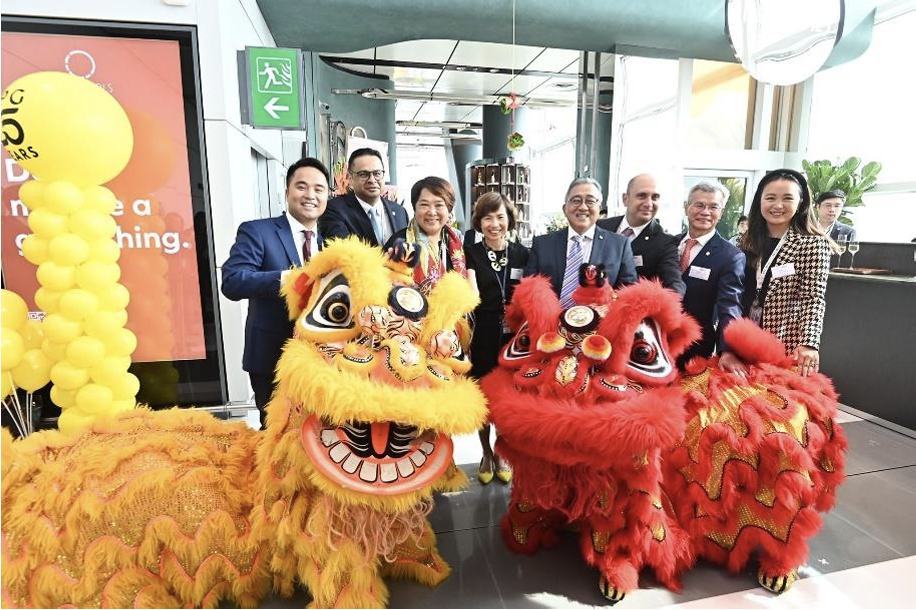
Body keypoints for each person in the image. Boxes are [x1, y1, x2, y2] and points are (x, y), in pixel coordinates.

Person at [222, 157, 331, 425]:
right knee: (277, 434)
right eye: (301, 187)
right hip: (272, 356)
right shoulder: (258, 231)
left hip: (323, 361)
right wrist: (288, 279)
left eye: (319, 189)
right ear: (287, 191)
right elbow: (233, 281)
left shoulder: (330, 244)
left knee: (319, 434)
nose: (310, 195)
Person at [738, 169, 832, 377]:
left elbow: (813, 298)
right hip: (744, 335)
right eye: (770, 198)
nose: (778, 205)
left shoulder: (813, 244)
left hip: (783, 339)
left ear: (800, 203)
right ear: (759, 201)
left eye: (787, 198)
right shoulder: (745, 241)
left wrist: (809, 342)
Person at [464, 193, 529, 485]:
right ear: (480, 221)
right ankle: (486, 452)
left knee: (508, 395)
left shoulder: (522, 254)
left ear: (509, 219)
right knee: (483, 396)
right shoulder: (470, 253)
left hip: (513, 335)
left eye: (500, 216)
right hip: (483, 333)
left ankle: (502, 452)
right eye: (488, 217)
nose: (494, 224)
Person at [525, 177, 637, 304]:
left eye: (590, 201)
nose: (583, 207)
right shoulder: (542, 245)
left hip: (600, 321)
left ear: (599, 208)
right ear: (565, 208)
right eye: (576, 200)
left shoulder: (619, 245)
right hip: (550, 321)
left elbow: (629, 293)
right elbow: (528, 290)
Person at [676, 181, 746, 375]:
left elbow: (730, 304)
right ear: (686, 207)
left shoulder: (730, 256)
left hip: (695, 348)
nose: (705, 212)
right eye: (699, 205)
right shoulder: (669, 244)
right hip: (656, 341)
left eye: (713, 207)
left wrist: (728, 350)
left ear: (721, 213)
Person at [597, 173, 685, 295]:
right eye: (642, 196)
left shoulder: (665, 243)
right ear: (625, 199)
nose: (649, 203)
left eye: (655, 197)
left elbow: (675, 284)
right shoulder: (600, 227)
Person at [384, 176, 468, 293]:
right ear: (414, 208)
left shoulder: (460, 241)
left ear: (449, 209)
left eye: (439, 205)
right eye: (424, 205)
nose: (432, 212)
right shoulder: (399, 243)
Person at [319, 148, 409, 247]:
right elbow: (343, 252)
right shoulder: (335, 209)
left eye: (377, 173)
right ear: (350, 178)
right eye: (363, 174)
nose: (372, 180)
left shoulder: (400, 212)